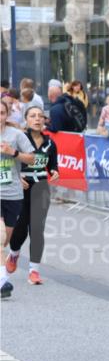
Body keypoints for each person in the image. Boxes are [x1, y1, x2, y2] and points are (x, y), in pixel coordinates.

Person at [6, 102, 58, 286]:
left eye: (40, 116)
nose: (37, 119)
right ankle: (13, 254)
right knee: (19, 228)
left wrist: (54, 171)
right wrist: (16, 176)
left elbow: (53, 164)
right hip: (21, 186)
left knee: (37, 229)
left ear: (44, 120)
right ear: (26, 120)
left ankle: (34, 271)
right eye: (33, 116)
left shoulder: (50, 142)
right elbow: (8, 160)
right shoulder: (19, 137)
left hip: (41, 187)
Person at [1, 98, 37, 299]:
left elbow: (32, 158)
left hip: (13, 194)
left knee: (5, 240)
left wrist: (12, 152)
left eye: (2, 113)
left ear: (7, 115)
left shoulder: (16, 135)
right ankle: (2, 282)